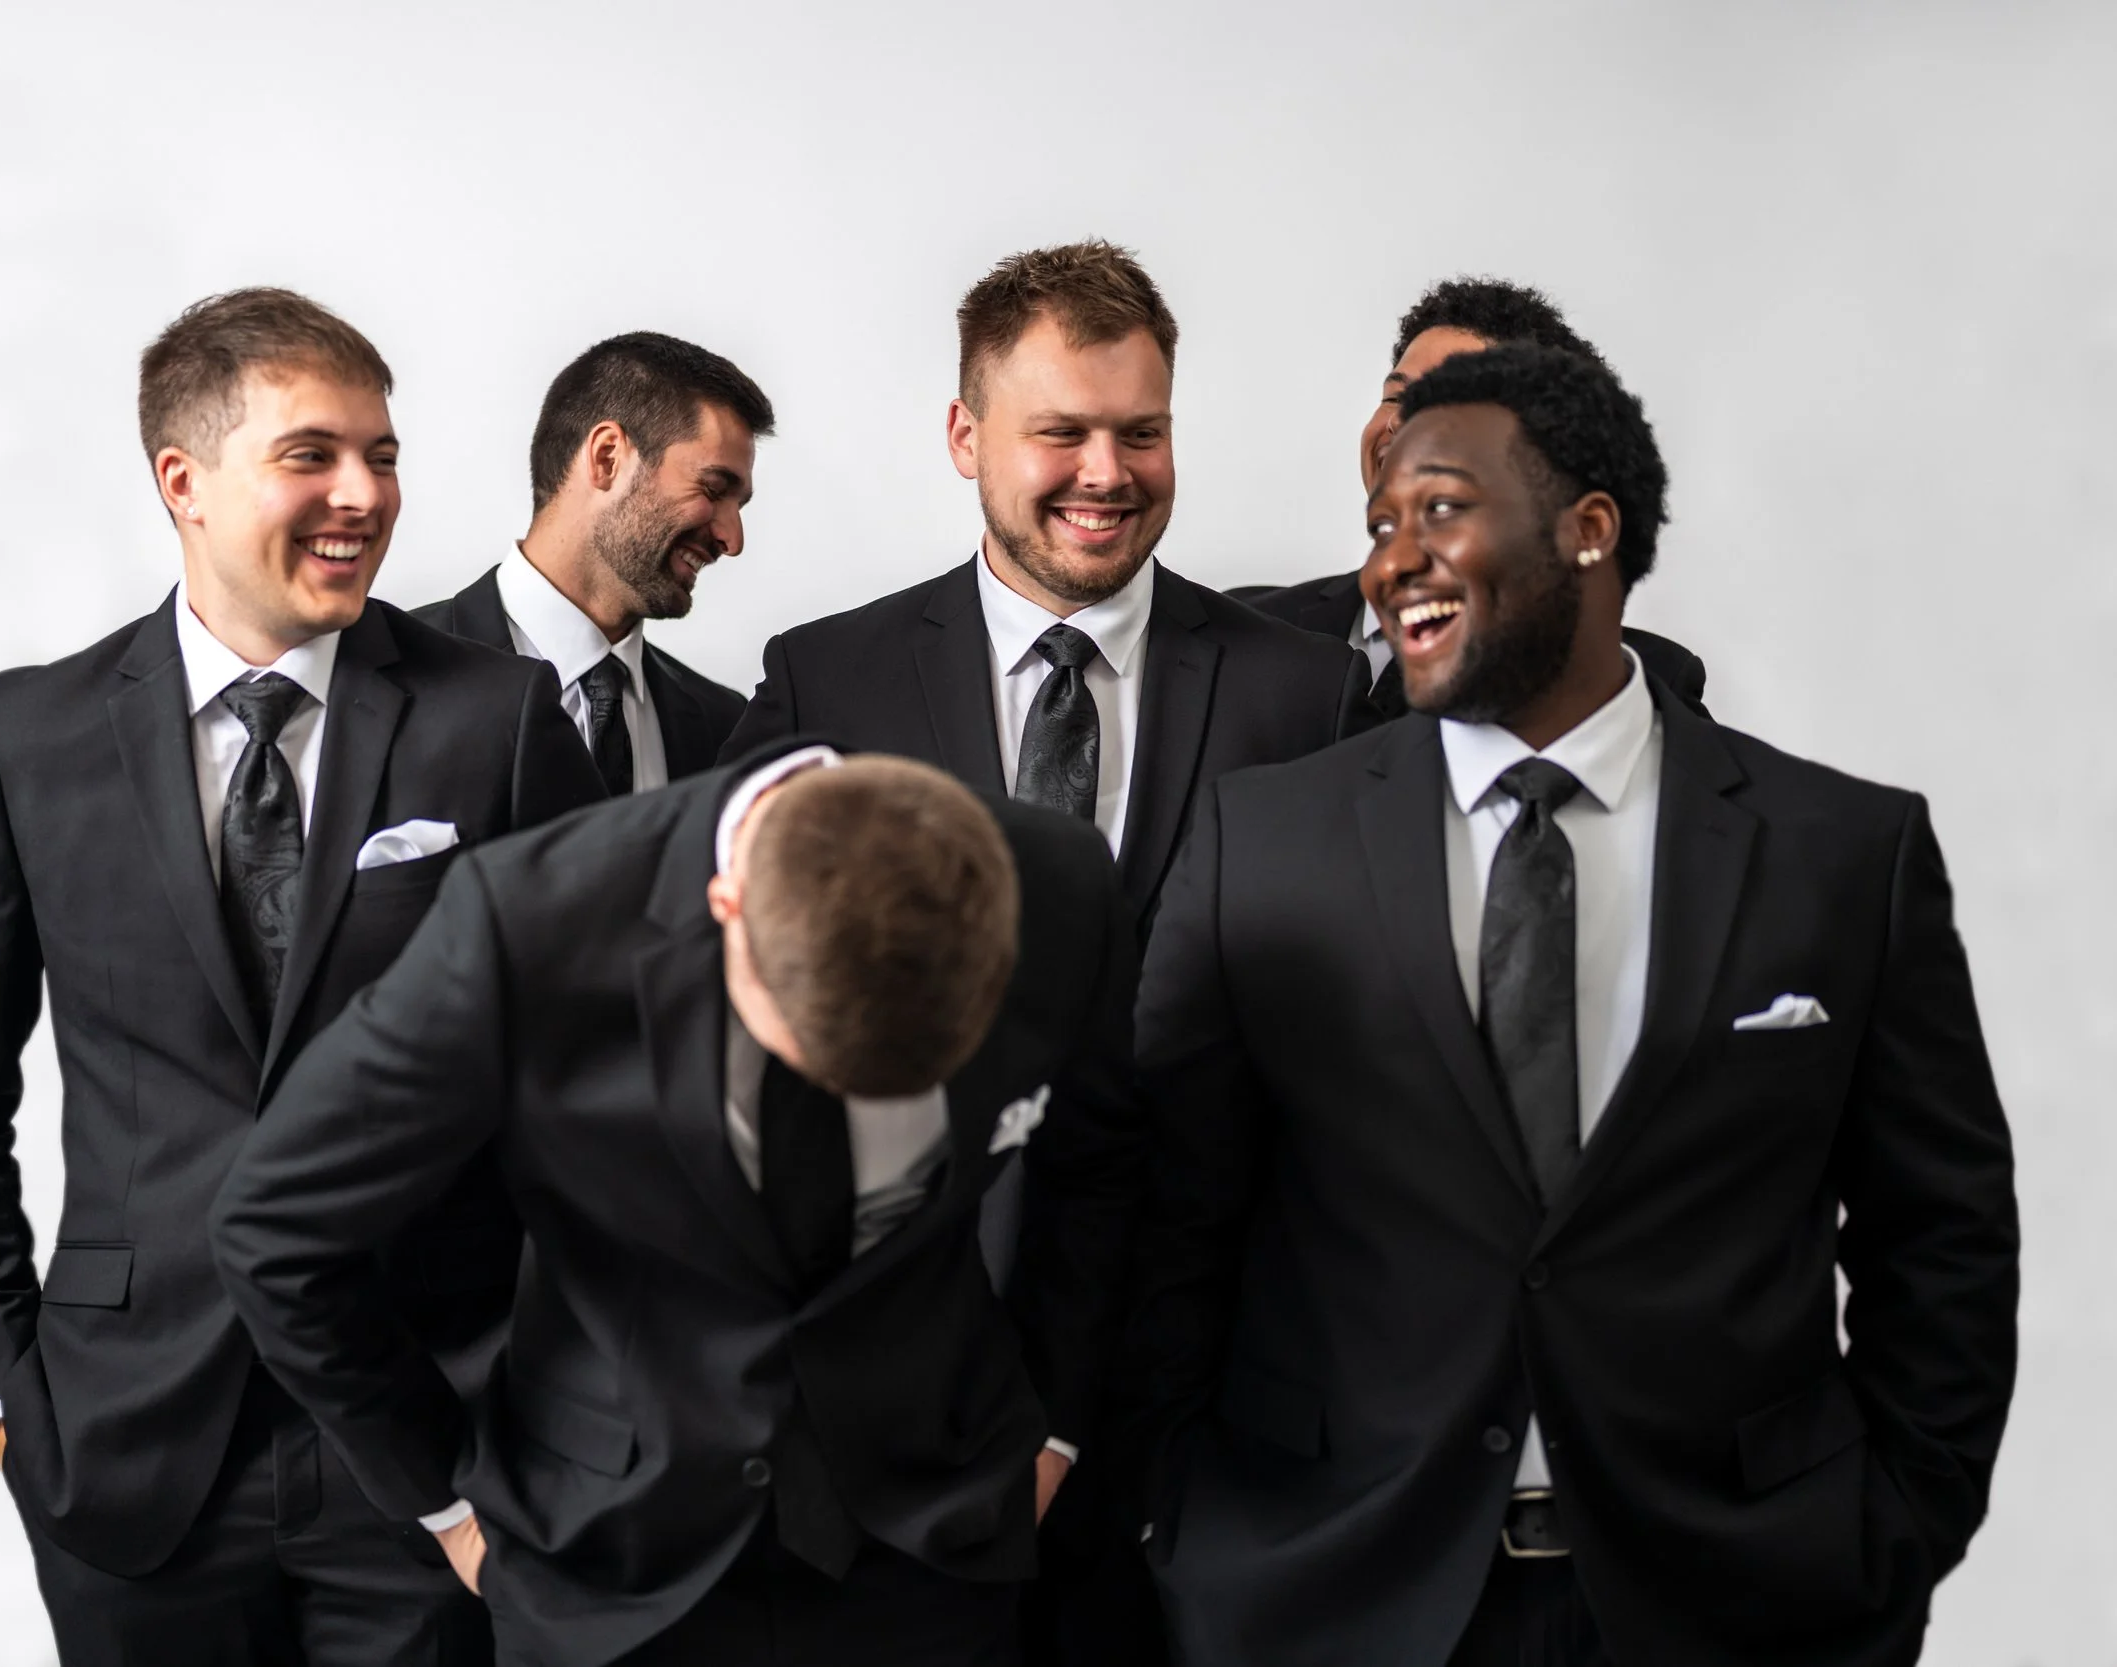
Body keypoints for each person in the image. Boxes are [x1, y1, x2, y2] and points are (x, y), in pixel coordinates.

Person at [1126, 343, 2017, 1665]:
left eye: (1439, 511)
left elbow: (1942, 1237)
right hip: (1334, 1602)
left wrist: (1888, 1531)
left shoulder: (1843, 854)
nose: (1391, 564)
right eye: (1380, 525)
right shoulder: (1262, 840)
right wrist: (1187, 1531)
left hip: (1734, 1607)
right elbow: (1160, 1217)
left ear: (1588, 529)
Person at [0, 288, 605, 1666]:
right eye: (311, 455)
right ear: (184, 481)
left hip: (434, 1439)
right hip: (127, 1444)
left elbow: (602, 1080)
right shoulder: (26, 738)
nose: (364, 494)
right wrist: (2, 1393)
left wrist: (553, 1409)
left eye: (382, 455)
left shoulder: (497, 719)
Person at [211, 749, 1149, 1666]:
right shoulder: (527, 923)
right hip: (605, 1558)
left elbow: (1098, 1162)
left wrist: (1057, 1430)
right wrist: (444, 1503)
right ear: (724, 906)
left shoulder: (1060, 885)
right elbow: (275, 1230)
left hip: (934, 1531)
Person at [723, 241, 1370, 939]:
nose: (1107, 473)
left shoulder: (1308, 697)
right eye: (1063, 432)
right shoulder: (824, 683)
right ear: (965, 438)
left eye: (1142, 433)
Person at [1232, 277, 1709, 718]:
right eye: (1395, 397)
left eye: (1444, 403)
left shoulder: (1642, 686)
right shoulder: (1237, 630)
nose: (1400, 423)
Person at [413, 332, 771, 793]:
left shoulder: (721, 725)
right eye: (713, 489)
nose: (732, 540)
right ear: (607, 458)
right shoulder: (392, 677)